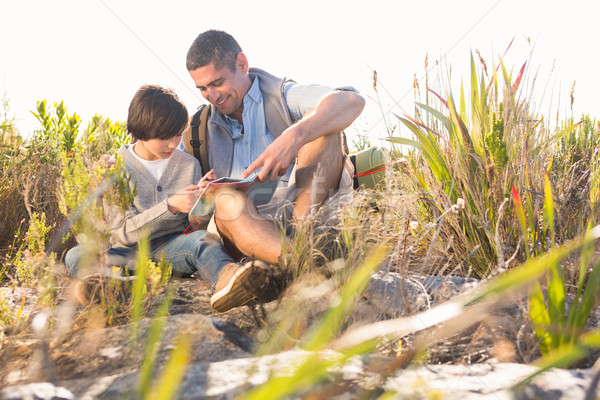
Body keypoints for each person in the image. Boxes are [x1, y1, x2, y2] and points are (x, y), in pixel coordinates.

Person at [65, 84, 270, 312]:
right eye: (164, 137)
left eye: (177, 134)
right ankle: (120, 289)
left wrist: (202, 200)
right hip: (125, 254)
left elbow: (193, 230)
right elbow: (123, 232)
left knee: (203, 241)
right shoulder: (116, 169)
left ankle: (229, 280)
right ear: (142, 131)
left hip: (173, 251)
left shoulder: (188, 164)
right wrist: (170, 206)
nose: (173, 144)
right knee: (76, 254)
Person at [184, 31, 365, 274]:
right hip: (243, 231)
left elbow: (351, 99)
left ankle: (300, 244)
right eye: (203, 88)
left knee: (323, 128)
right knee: (227, 202)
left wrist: (293, 137)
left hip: (305, 213)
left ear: (242, 64)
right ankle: (300, 265)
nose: (213, 96)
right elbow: (160, 172)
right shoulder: (196, 130)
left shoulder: (283, 95)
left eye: (218, 83)